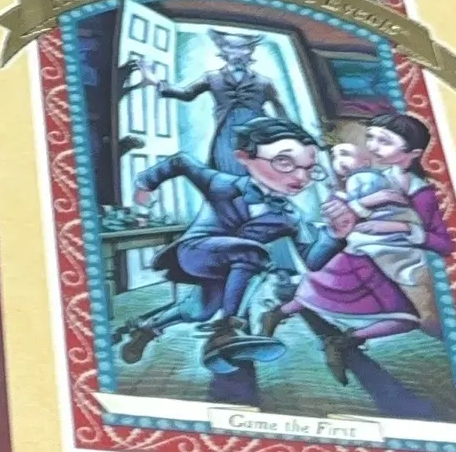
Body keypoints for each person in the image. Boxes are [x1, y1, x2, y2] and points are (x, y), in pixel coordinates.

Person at [124, 115, 322, 368]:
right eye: (284, 162)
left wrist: (339, 236)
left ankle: (148, 329)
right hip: (198, 251)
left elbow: (313, 257)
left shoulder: (291, 216)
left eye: (309, 168)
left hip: (234, 268)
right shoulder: (221, 184)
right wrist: (144, 185)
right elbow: (181, 161)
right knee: (255, 254)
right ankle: (228, 329)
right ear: (244, 157)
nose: (301, 176)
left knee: (200, 310)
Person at [275, 112, 453, 386]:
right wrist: (352, 208)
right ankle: (319, 331)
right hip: (362, 254)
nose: (373, 146)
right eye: (371, 138)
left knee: (410, 320)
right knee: (326, 287)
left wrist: (398, 227)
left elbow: (443, 242)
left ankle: (336, 338)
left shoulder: (423, 193)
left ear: (413, 153)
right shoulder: (373, 179)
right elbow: (348, 212)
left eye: (384, 141)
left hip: (392, 261)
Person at [155, 30, 287, 174]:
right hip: (225, 137)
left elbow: (280, 109)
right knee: (225, 174)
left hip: (257, 136)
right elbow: (187, 94)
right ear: (223, 50)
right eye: (231, 48)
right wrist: (155, 82)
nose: (236, 53)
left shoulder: (264, 82)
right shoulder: (212, 77)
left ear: (250, 51)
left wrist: (285, 135)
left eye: (242, 48)